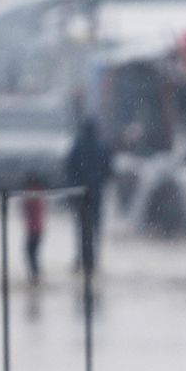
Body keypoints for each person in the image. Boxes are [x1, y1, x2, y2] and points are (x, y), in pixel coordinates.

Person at [64, 118, 114, 276]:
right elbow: (109, 171)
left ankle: (83, 258)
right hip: (95, 194)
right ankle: (93, 260)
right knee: (95, 227)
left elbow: (69, 168)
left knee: (82, 228)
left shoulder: (78, 146)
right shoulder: (102, 146)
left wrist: (78, 183)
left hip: (81, 194)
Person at [21, 174, 47, 283]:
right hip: (36, 228)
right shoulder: (38, 194)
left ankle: (34, 275)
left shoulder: (33, 195)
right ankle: (35, 274)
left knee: (30, 252)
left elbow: (29, 210)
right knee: (32, 253)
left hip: (34, 229)